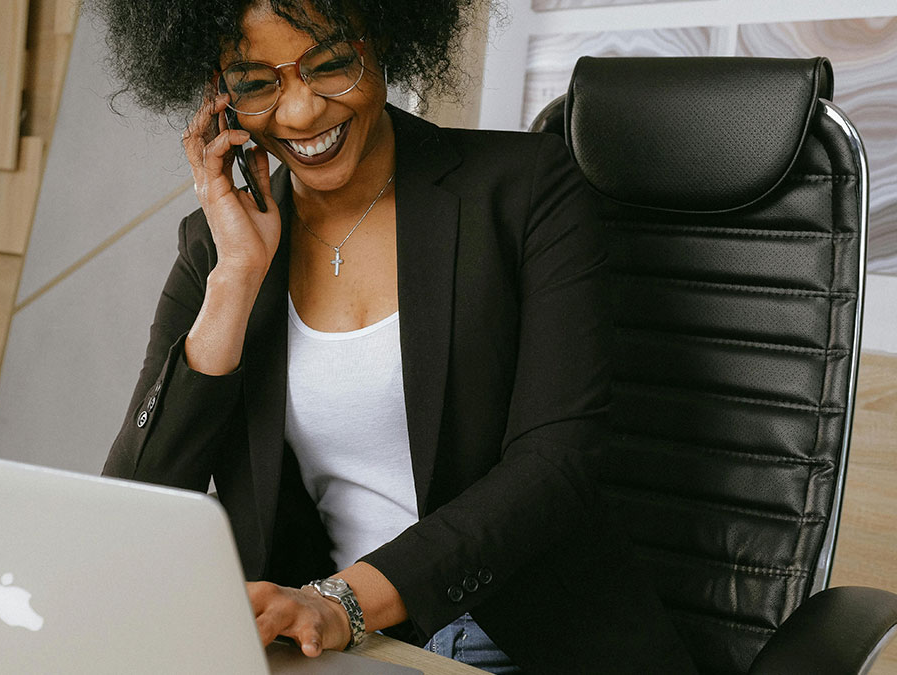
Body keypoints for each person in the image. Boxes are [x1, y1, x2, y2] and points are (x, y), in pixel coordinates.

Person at [93, 0, 697, 672]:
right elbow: (136, 503)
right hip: (322, 645)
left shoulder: (525, 190)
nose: (299, 113)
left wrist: (340, 602)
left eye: (330, 65)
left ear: (384, 40)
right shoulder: (217, 246)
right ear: (217, 91)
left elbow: (555, 464)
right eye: (257, 82)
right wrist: (235, 277)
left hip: (516, 632)